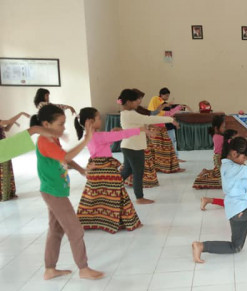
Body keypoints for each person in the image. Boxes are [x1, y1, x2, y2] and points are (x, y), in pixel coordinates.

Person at [30, 104, 104, 280]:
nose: (63, 128)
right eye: (60, 124)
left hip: (56, 190)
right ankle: (83, 269)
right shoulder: (43, 141)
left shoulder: (52, 139)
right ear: (46, 124)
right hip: (53, 192)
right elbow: (65, 157)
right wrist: (86, 140)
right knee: (75, 230)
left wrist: (81, 170)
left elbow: (63, 157)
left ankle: (49, 269)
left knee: (56, 229)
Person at [75, 107, 145, 233]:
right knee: (119, 196)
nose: (101, 120)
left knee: (94, 197)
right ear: (90, 121)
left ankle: (92, 221)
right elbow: (121, 135)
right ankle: (128, 222)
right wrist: (139, 129)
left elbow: (109, 141)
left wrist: (113, 134)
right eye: (98, 118)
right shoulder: (99, 136)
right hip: (106, 170)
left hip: (95, 170)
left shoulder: (89, 136)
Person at [119, 89, 174, 204]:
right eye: (136, 100)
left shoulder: (126, 113)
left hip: (129, 146)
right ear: (129, 102)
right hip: (134, 147)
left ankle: (110, 186)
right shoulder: (130, 114)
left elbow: (142, 123)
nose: (138, 102)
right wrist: (170, 119)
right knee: (138, 172)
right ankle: (139, 198)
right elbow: (148, 119)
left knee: (127, 171)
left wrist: (149, 128)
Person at [201, 133, 247, 210]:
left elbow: (246, 158)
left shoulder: (231, 157)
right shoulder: (231, 165)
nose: (244, 159)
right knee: (236, 202)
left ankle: (208, 200)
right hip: (233, 186)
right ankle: (208, 200)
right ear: (234, 152)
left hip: (235, 185)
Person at [147, 87, 189, 169]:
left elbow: (167, 114)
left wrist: (177, 109)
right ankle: (159, 166)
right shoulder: (155, 100)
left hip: (161, 128)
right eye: (166, 95)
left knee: (165, 148)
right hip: (156, 129)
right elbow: (158, 114)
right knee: (157, 148)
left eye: (168, 96)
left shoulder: (161, 107)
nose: (167, 98)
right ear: (161, 95)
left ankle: (166, 166)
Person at [0, 112, 31, 201]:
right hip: (1, 149)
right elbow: (8, 121)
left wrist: (13, 122)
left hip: (4, 148)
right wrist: (21, 114)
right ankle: (4, 195)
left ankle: (8, 193)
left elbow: (6, 129)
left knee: (6, 170)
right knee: (4, 171)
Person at [193, 115, 227, 189]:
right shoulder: (220, 137)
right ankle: (202, 179)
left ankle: (206, 171)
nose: (224, 129)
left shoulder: (217, 135)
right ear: (216, 128)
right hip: (219, 158)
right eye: (223, 127)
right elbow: (229, 142)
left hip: (219, 158)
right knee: (221, 178)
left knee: (220, 173)